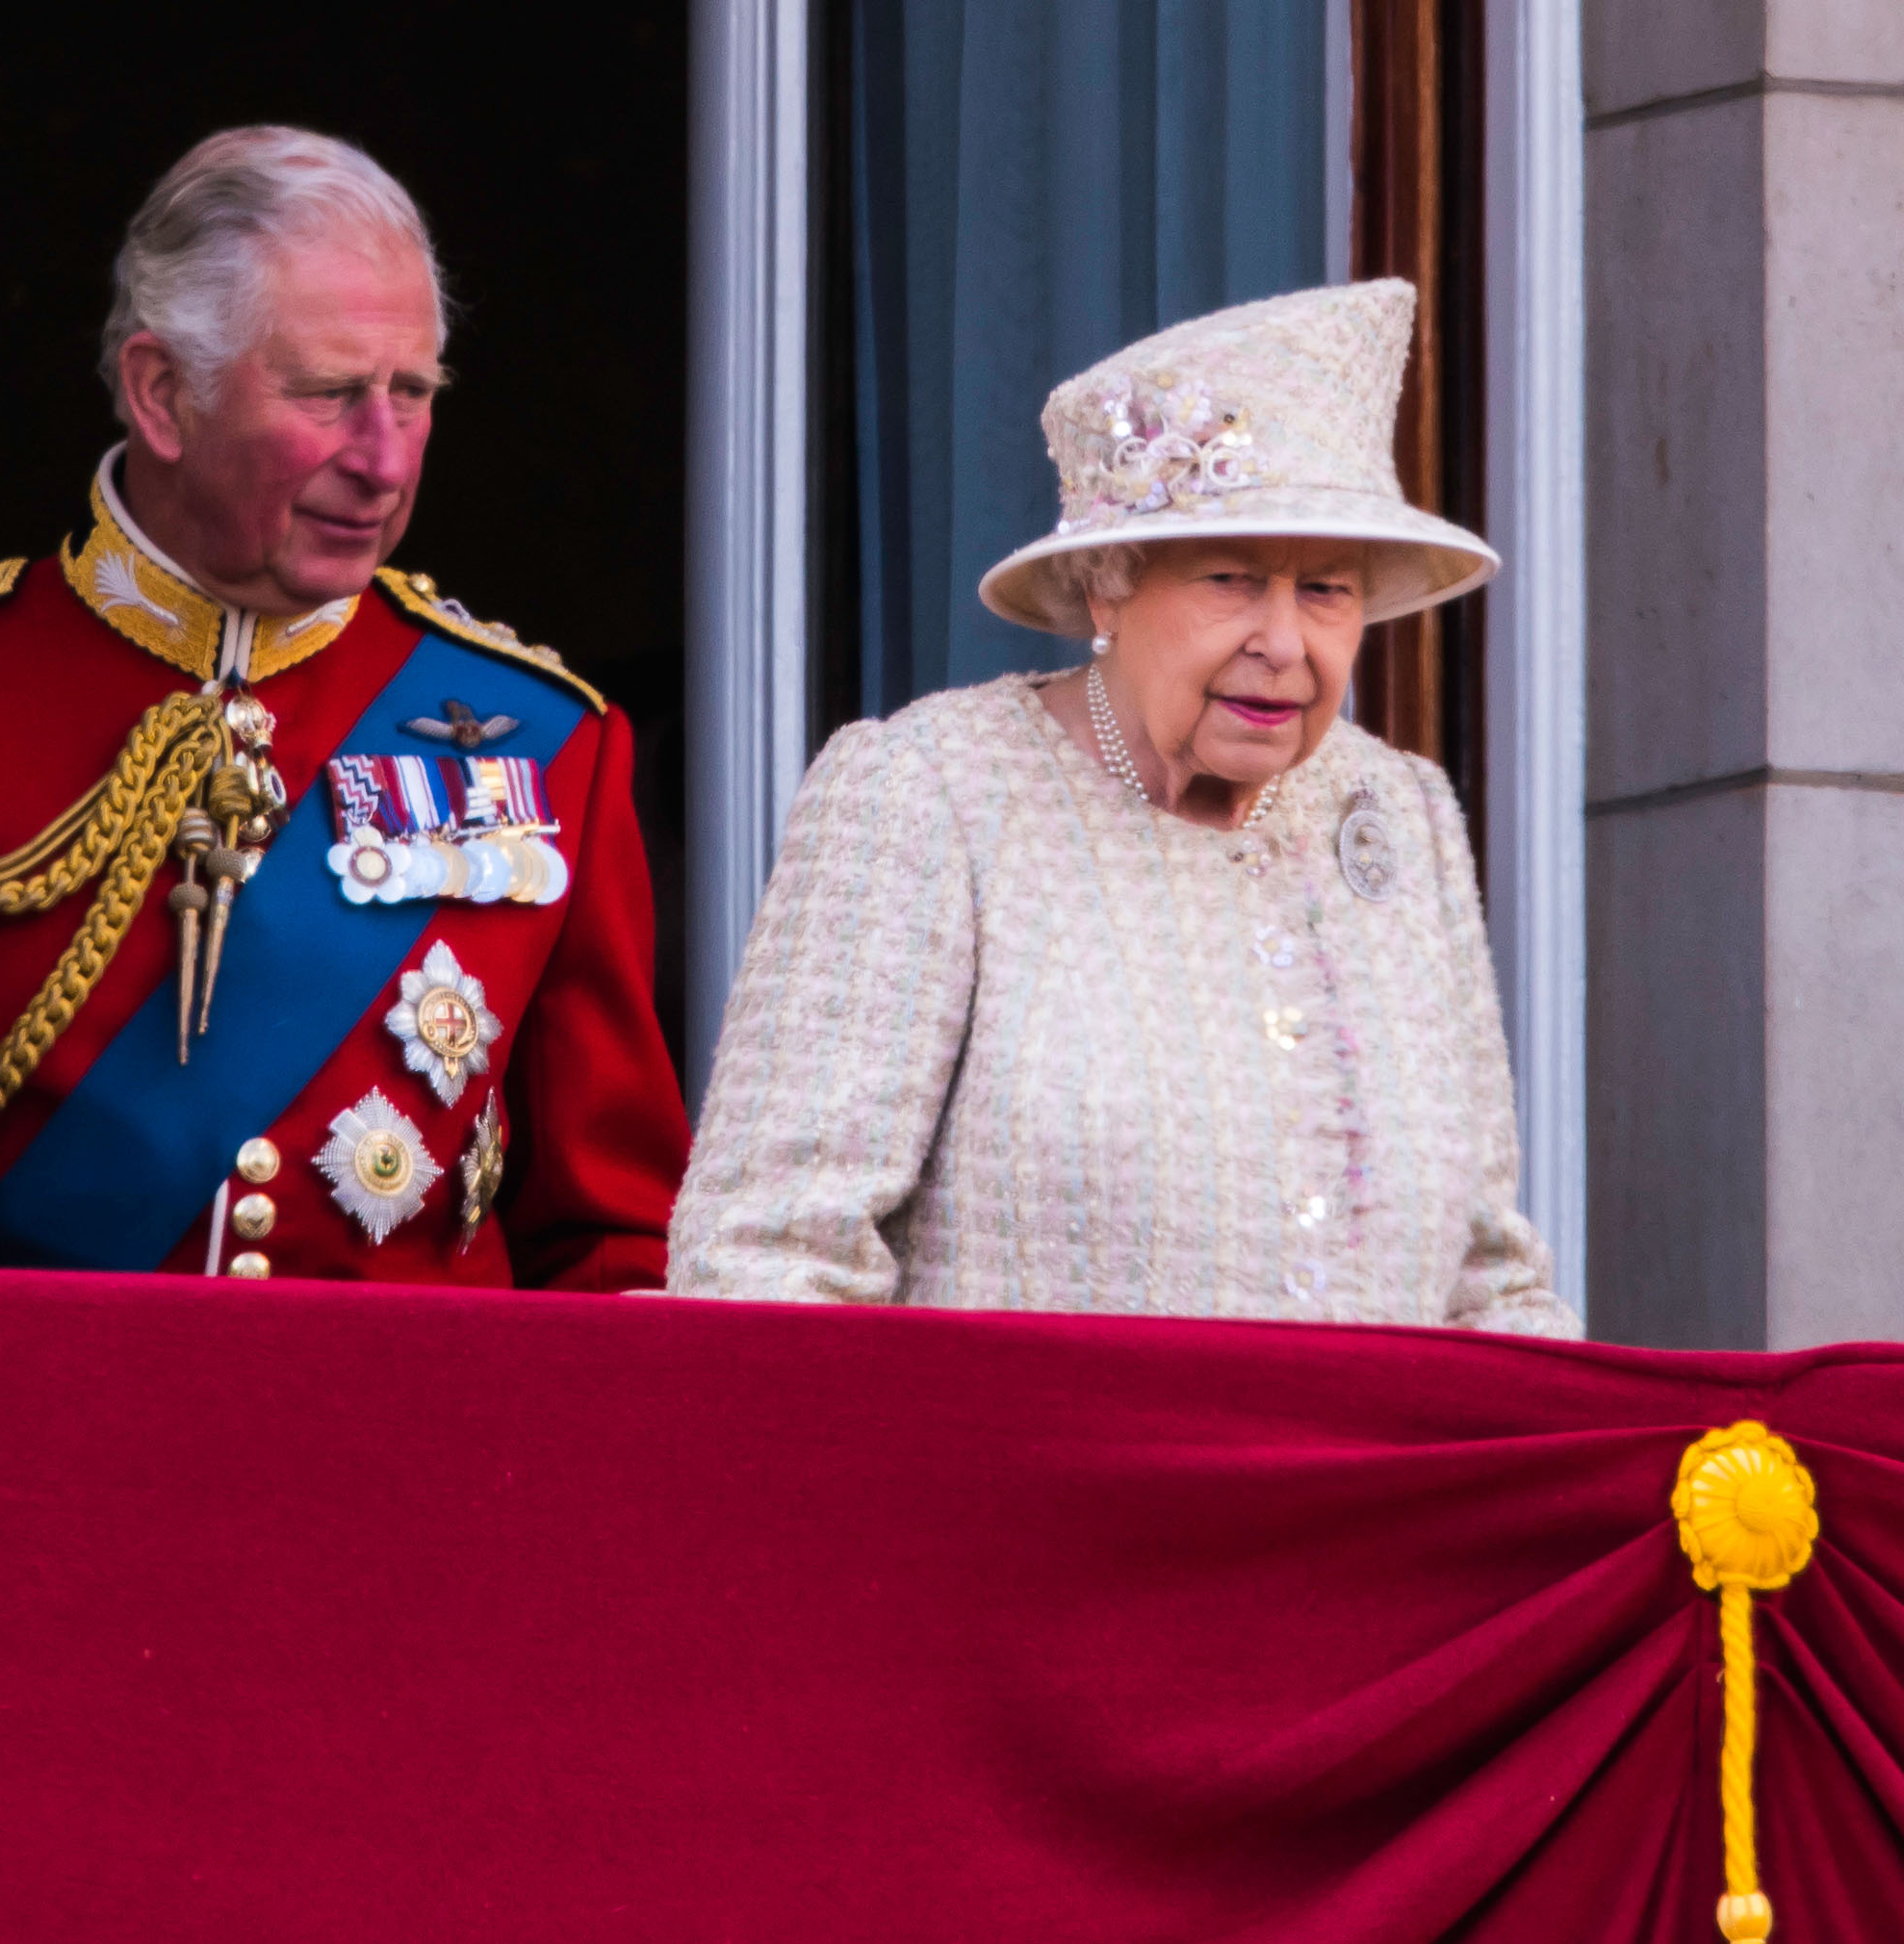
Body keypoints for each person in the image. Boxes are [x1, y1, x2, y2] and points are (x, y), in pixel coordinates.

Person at [0, 126, 689, 1286]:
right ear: (160, 393)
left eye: (413, 392)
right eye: (331, 394)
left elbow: (614, 1252)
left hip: (412, 1461)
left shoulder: (546, 743)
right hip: (0, 1459)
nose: (386, 459)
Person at [670, 279, 1578, 1335]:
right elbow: (768, 1261)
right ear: (1107, 586)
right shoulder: (929, 794)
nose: (1285, 643)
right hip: (1027, 1498)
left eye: (1326, 589)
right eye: (1233, 578)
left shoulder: (1403, 815)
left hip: (1376, 1498)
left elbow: (1491, 1283)